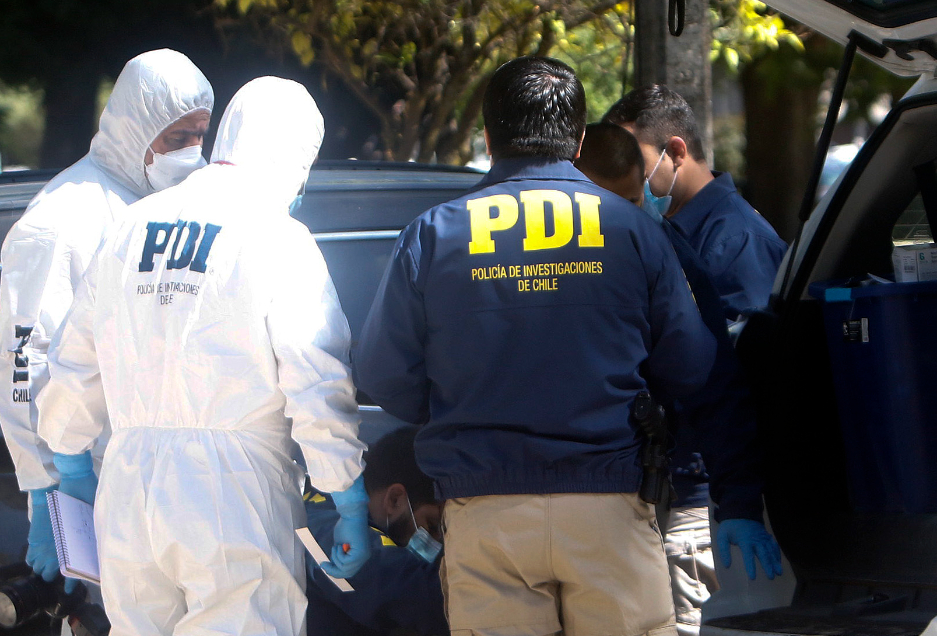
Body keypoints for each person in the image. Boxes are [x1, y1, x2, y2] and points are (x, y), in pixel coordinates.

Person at [354, 56, 717, 636]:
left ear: (489, 137)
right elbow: (692, 366)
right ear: (578, 140)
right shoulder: (633, 230)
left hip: (485, 513)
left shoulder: (433, 233)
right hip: (611, 507)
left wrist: (460, 406)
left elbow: (382, 372)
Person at [36, 77, 370, 636]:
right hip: (233, 492)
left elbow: (73, 357)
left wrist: (69, 460)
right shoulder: (278, 236)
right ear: (296, 153)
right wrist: (347, 494)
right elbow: (315, 378)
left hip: (128, 488)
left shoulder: (133, 223)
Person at [0, 49, 214, 592]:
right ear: (137, 129)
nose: (191, 152)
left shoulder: (168, 203)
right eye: (177, 138)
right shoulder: (62, 220)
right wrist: (51, 487)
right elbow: (25, 359)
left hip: (157, 480)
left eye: (200, 136)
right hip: (89, 479)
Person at [576, 121, 783, 635]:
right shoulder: (608, 253)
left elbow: (718, 376)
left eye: (634, 194)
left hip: (675, 495)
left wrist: (737, 501)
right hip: (614, 505)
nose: (634, 211)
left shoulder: (672, 246)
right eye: (620, 198)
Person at [305, 426, 448, 636]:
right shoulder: (325, 527)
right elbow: (414, 593)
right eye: (433, 526)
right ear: (395, 499)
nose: (439, 541)